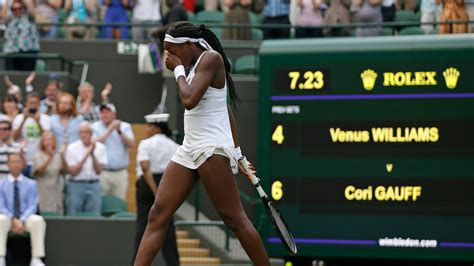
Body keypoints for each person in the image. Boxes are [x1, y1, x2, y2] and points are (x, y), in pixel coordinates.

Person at [134, 21, 270, 266]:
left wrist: (176, 70)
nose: (169, 57)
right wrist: (239, 155)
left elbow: (189, 100)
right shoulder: (195, 64)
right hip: (189, 148)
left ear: (188, 45)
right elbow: (225, 111)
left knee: (234, 218)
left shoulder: (210, 59)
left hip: (211, 148)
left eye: (172, 51)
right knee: (157, 214)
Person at [133, 113, 179, 265]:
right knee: (167, 226)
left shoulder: (145, 144)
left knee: (142, 225)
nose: (148, 129)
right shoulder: (174, 145)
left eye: (150, 126)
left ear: (156, 127)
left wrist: (155, 190)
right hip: (168, 183)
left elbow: (145, 168)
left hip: (147, 185)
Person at [0, 153, 46, 266]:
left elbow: (33, 205)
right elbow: (1, 206)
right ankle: (1, 257)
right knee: (0, 219)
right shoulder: (1, 183)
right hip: (8, 218)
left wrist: (22, 220)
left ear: (23, 165)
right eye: (13, 162)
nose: (15, 164)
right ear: (8, 165)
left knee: (38, 220)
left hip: (26, 219)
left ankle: (36, 258)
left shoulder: (32, 184)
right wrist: (13, 219)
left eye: (18, 162)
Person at [92, 103, 135, 201]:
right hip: (102, 172)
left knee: (119, 201)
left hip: (120, 172)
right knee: (101, 201)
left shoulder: (125, 126)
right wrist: (109, 130)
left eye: (107, 112)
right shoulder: (95, 127)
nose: (104, 115)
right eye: (102, 112)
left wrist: (119, 131)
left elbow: (132, 144)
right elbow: (93, 143)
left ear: (114, 114)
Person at [64, 121, 107, 215]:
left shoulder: (101, 148)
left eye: (86, 132)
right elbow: (73, 172)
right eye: (81, 132)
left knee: (94, 215)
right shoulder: (72, 148)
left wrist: (92, 154)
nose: (83, 135)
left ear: (91, 133)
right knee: (73, 214)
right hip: (76, 185)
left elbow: (99, 170)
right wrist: (86, 154)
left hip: (94, 184)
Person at [12, 93, 51, 177]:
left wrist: (38, 122)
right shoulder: (19, 118)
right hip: (23, 160)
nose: (33, 105)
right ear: (26, 103)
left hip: (39, 160)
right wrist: (23, 120)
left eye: (35, 103)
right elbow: (14, 138)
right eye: (30, 103)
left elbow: (47, 138)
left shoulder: (45, 118)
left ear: (39, 104)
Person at [31, 131, 67, 214]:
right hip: (42, 190)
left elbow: (65, 170)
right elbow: (40, 170)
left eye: (51, 140)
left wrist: (62, 156)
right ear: (42, 142)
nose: (48, 142)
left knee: (57, 212)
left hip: (56, 190)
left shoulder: (58, 155)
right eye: (46, 140)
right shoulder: (37, 155)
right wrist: (49, 157)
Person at [3, 0, 40, 71]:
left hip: (28, 51)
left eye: (20, 8)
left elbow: (32, 10)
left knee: (25, 76)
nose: (17, 11)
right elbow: (3, 16)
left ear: (24, 8)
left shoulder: (29, 17)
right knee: (11, 76)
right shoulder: (10, 18)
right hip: (11, 51)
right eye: (14, 9)